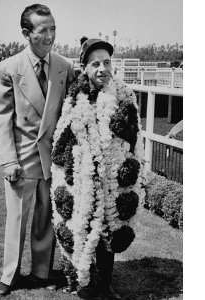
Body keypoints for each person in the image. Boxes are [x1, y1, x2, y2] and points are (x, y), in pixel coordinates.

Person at [51, 37, 145, 299]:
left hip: (112, 179)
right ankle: (82, 280)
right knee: (79, 228)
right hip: (82, 180)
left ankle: (105, 283)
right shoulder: (74, 99)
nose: (102, 68)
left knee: (109, 229)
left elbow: (133, 138)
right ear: (85, 67)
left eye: (106, 62)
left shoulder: (125, 96)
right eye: (95, 64)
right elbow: (63, 140)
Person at [0, 3, 74, 296]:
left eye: (53, 29)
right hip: (21, 160)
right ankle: (9, 275)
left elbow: (70, 113)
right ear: (26, 33)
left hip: (52, 160)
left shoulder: (65, 67)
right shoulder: (7, 69)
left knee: (44, 220)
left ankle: (41, 273)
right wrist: (8, 161)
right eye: (43, 30)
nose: (51, 36)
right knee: (16, 221)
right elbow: (1, 119)